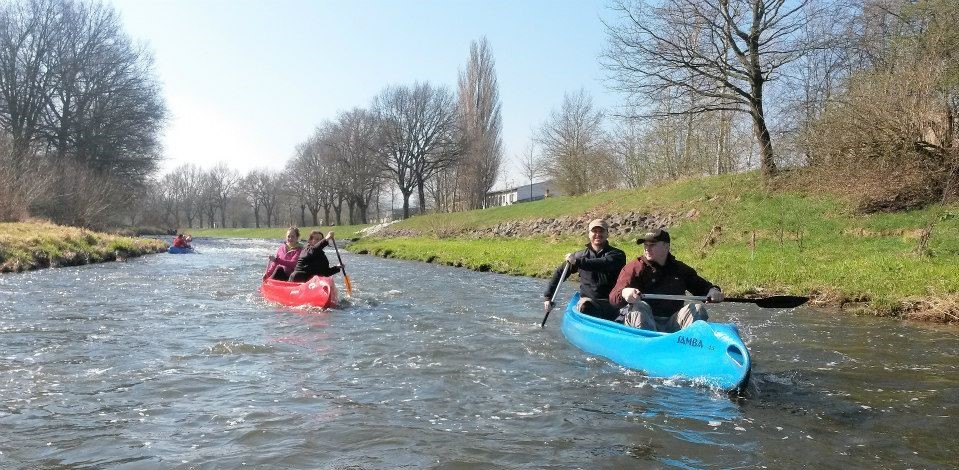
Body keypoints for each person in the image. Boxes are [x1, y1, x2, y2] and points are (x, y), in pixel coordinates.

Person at [609, 229, 724, 332]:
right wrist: (624, 293)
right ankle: (647, 345)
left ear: (666, 247)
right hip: (645, 322)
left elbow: (703, 288)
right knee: (640, 306)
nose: (647, 248)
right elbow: (614, 298)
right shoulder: (634, 268)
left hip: (673, 323)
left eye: (652, 245)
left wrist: (713, 291)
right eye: (645, 245)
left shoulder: (680, 269)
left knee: (697, 309)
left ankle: (689, 346)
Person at [543, 219, 627, 321]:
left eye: (601, 231)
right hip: (589, 302)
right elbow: (560, 273)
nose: (597, 234)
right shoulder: (579, 256)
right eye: (594, 231)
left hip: (612, 304)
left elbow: (602, 263)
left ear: (607, 234)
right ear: (589, 234)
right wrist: (548, 297)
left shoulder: (617, 255)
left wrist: (577, 262)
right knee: (586, 305)